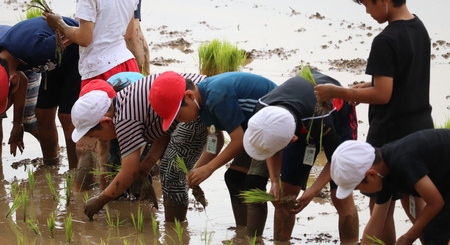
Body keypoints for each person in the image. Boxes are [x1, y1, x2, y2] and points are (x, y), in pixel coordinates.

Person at [314, 0, 434, 244]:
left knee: (380, 203)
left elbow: (383, 95)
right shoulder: (419, 27)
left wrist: (338, 92)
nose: (367, 11)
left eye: (367, 3)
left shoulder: (386, 39)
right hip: (421, 127)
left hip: (390, 133)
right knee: (415, 204)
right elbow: (405, 79)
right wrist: (366, 84)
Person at [149, 71, 277, 231]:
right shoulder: (202, 106)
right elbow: (216, 140)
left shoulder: (216, 97)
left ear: (189, 96)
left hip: (274, 126)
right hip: (253, 132)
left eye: (179, 115)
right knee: (234, 178)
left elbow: (237, 141)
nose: (180, 121)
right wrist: (197, 170)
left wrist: (209, 168)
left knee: (253, 183)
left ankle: (254, 239)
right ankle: (242, 232)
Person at [71, 73, 207, 220]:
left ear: (105, 122)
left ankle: (175, 231)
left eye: (97, 136)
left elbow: (130, 171)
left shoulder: (124, 119)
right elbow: (163, 126)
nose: (100, 140)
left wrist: (100, 200)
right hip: (197, 95)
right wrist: (148, 162)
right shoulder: (123, 102)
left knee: (171, 169)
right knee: (169, 166)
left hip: (195, 103)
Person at [243, 70, 359, 242]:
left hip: (335, 116)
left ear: (292, 138)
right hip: (298, 116)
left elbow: (337, 160)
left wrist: (312, 191)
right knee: (286, 195)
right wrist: (275, 180)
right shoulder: (262, 110)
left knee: (340, 195)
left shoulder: (322, 115)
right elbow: (271, 147)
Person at [331, 128, 450, 245]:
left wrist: (408, 237)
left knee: (433, 233)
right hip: (444, 182)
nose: (360, 191)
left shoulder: (403, 161)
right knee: (432, 231)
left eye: (357, 187)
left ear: (371, 174)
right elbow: (376, 222)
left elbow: (435, 203)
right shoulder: (383, 172)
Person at [45, 0, 140, 88]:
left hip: (100, 71)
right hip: (127, 66)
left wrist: (60, 24)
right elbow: (129, 33)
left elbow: (84, 39)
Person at [0, 17, 80, 167]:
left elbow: (75, 35)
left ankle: (75, 171)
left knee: (67, 116)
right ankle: (51, 165)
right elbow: (22, 80)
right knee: (42, 114)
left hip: (75, 57)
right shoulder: (6, 59)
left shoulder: (36, 49)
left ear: (13, 79)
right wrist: (17, 125)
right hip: (50, 61)